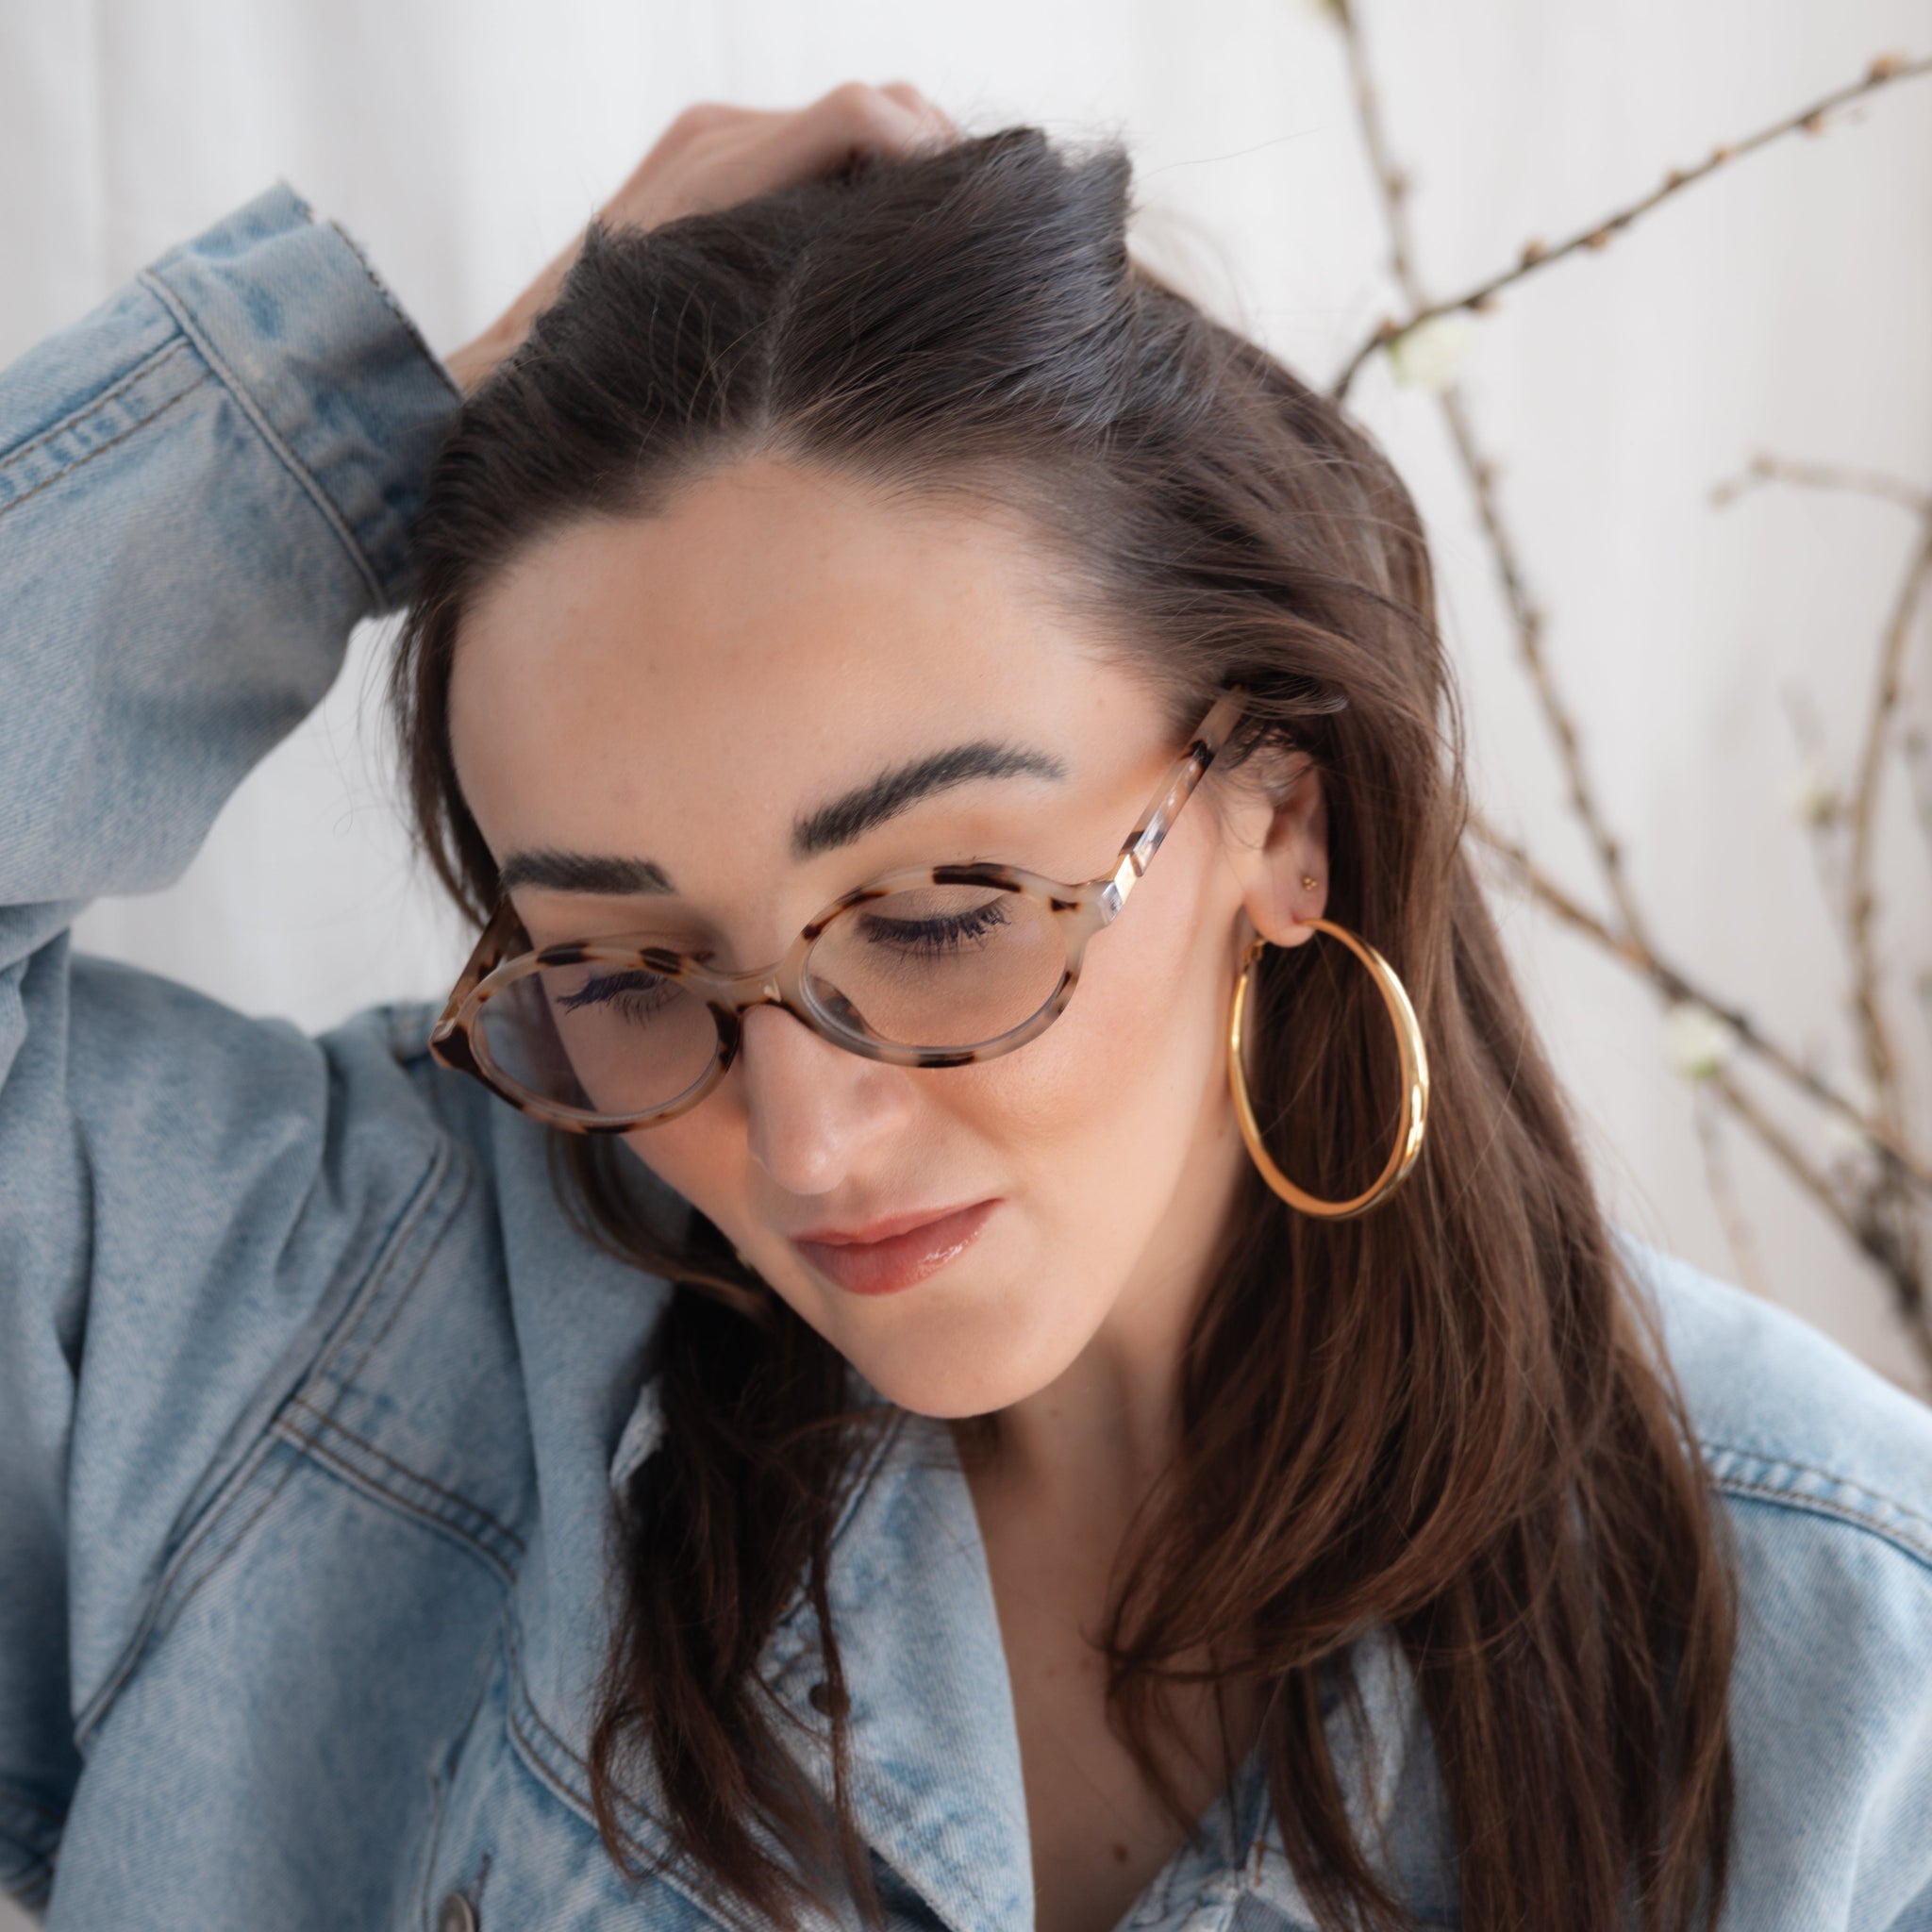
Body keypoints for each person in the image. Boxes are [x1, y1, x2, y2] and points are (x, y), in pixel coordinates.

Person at [2, 80, 1929, 1932]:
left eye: (936, 915)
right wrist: (379, 422)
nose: (802, 1137)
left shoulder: (1857, 1657)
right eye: (620, 971)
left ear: (1285, 821)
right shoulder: (292, 1330)